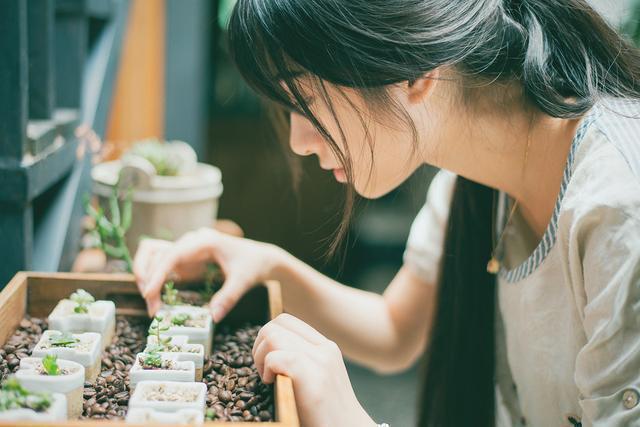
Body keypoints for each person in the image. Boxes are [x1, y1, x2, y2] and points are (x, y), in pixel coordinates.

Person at [133, 1, 640, 426]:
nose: (298, 140)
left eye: (304, 97)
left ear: (413, 71)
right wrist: (266, 264)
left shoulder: (619, 205)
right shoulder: (472, 179)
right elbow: (396, 331)